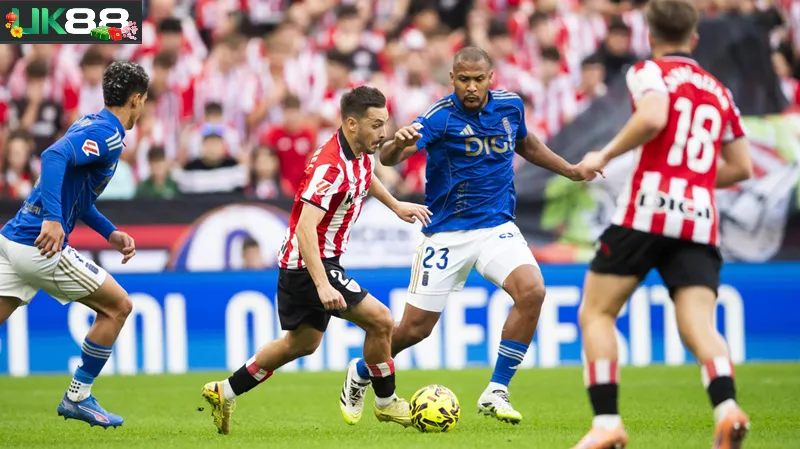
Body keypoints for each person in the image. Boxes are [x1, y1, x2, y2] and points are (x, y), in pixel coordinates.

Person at [340, 46, 601, 426]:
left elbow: (526, 144)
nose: (472, 87)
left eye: (479, 79)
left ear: (491, 78)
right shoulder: (440, 116)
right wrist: (397, 141)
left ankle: (496, 390)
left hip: (496, 227)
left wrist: (571, 170)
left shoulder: (511, 107)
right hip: (446, 234)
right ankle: (363, 370)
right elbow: (390, 159)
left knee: (533, 291)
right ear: (452, 79)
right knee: (415, 330)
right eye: (464, 80)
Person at [570, 1, 754, 448]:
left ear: (650, 35)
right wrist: (689, 180)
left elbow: (653, 116)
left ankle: (608, 423)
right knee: (698, 323)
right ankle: (727, 408)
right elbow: (742, 167)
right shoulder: (718, 90)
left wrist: (605, 154)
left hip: (647, 209)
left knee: (596, 312)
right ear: (694, 38)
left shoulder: (649, 71)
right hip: (698, 218)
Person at [200, 86, 432, 435]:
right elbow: (305, 229)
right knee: (382, 321)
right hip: (310, 264)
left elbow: (365, 179)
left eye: (385, 123)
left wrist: (396, 205)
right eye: (375, 125)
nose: (382, 133)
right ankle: (385, 402)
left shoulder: (358, 150)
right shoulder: (329, 166)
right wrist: (323, 283)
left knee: (303, 343)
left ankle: (225, 390)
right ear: (352, 124)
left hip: (313, 262)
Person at [0, 61, 149, 428]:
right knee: (118, 307)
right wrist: (52, 219)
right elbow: (52, 156)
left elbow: (76, 193)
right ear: (135, 100)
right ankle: (78, 396)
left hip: (12, 239)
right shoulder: (109, 135)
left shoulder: (86, 123)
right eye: (142, 101)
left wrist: (109, 232)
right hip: (40, 246)